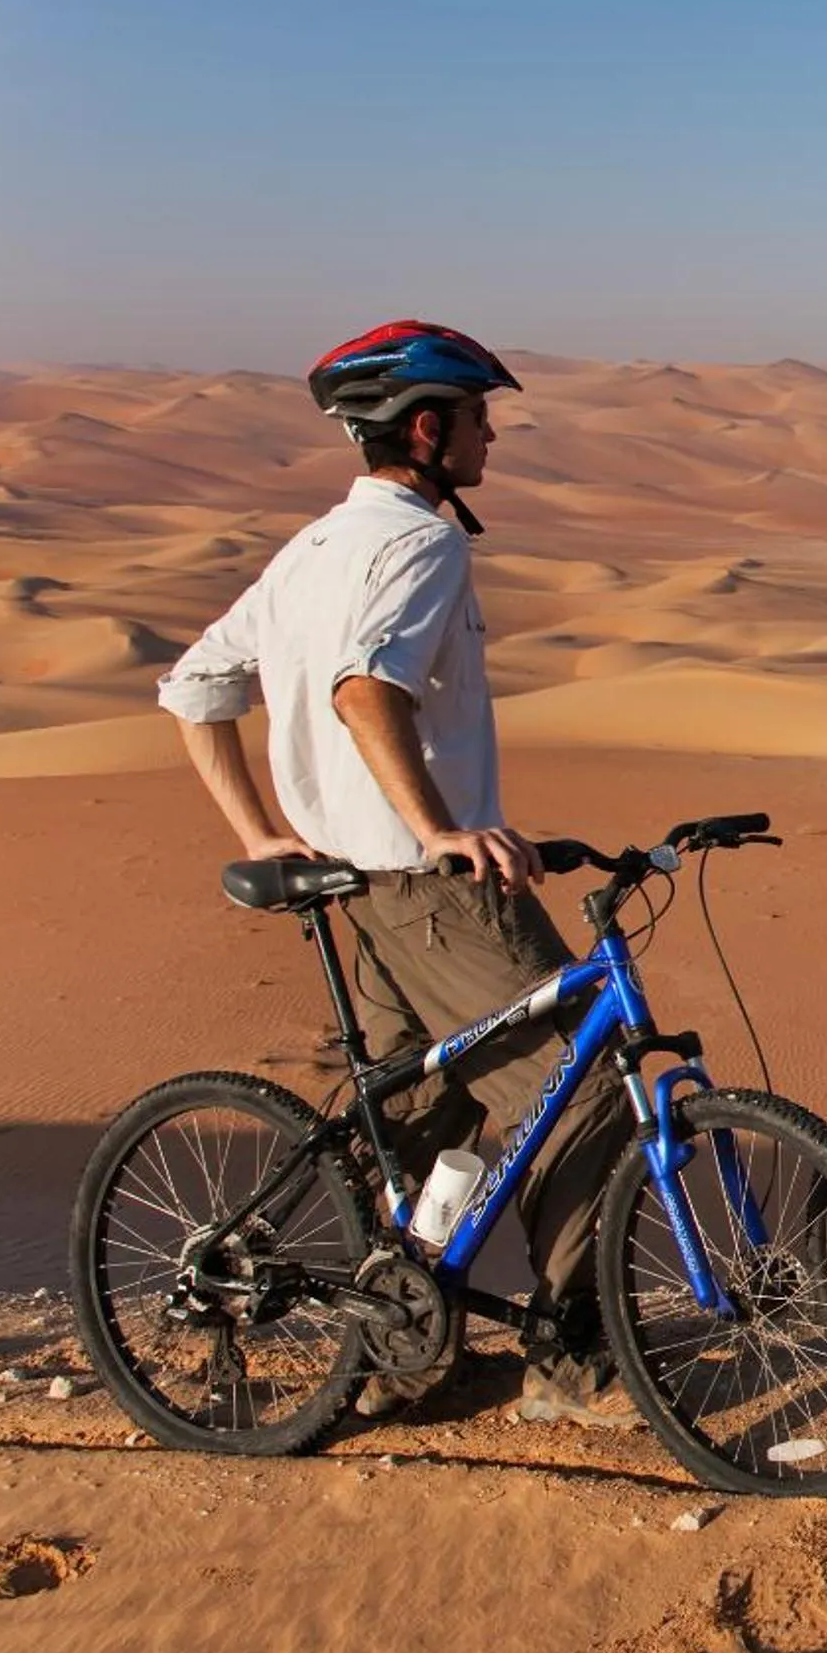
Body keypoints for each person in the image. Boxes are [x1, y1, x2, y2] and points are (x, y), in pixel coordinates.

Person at [155, 320, 636, 1427]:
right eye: (476, 417)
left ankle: (403, 1353)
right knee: (581, 1094)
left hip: (342, 886)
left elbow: (195, 688)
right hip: (424, 893)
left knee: (413, 1124)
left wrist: (264, 829)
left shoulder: (313, 549)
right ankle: (578, 1365)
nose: (491, 434)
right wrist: (440, 830)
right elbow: (367, 691)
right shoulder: (423, 545)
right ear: (427, 430)